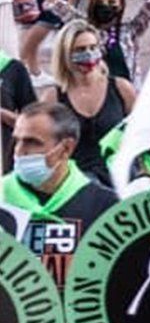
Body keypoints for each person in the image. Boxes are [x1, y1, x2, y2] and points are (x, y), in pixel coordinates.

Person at [2, 100, 117, 292]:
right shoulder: (3, 197)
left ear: (66, 148)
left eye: (32, 142)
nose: (19, 151)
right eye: (17, 140)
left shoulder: (104, 206)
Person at [48, 21, 134, 185]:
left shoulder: (121, 88)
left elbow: (140, 134)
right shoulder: (54, 98)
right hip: (79, 184)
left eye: (93, 47)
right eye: (80, 50)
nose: (88, 54)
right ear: (65, 54)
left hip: (122, 177)